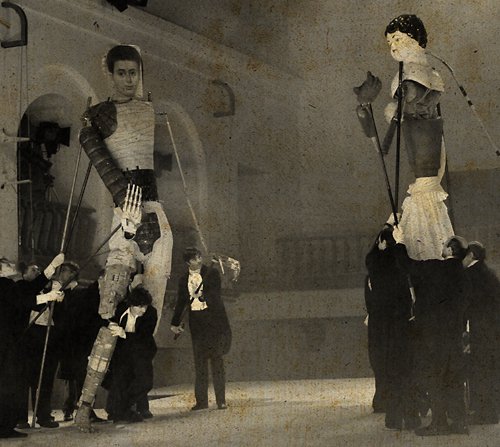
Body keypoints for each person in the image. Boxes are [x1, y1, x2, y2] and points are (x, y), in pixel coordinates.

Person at [75, 44, 173, 430]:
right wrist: (123, 200)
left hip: (155, 216)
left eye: (134, 72)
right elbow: (96, 153)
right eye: (122, 73)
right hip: (126, 216)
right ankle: (84, 404)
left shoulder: (148, 108)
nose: (129, 79)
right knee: (110, 309)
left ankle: (135, 397)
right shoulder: (99, 114)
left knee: (149, 318)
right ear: (110, 74)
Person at [354, 14, 454, 261]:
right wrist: (367, 109)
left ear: (415, 38)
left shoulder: (418, 76)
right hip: (423, 153)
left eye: (397, 39)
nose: (393, 47)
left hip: (426, 158)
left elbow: (412, 101)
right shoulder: (414, 75)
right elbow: (388, 140)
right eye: (390, 43)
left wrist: (381, 108)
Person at [392, 226, 470, 436]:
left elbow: (407, 265)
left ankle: (439, 424)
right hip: (454, 336)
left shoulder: (438, 268)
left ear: (450, 251)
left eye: (444, 245)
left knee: (435, 378)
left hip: (435, 337)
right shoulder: (463, 274)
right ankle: (459, 423)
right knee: (454, 380)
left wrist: (400, 241)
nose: (441, 248)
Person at [0, 254, 64, 437]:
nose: (12, 265)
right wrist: (49, 296)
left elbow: (31, 288)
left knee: (8, 384)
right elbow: (23, 301)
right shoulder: (4, 285)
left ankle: (6, 426)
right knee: (8, 385)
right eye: (7, 264)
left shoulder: (8, 285)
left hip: (9, 340)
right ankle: (4, 428)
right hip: (6, 341)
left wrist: (52, 267)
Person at [365, 225, 420, 429]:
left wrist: (381, 250)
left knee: (391, 375)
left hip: (383, 332)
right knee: (407, 373)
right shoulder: (401, 271)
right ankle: (411, 417)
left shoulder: (375, 272)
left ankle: (394, 418)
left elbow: (371, 261)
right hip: (402, 329)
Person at [171, 248, 232, 411]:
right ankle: (201, 401)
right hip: (196, 322)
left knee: (217, 361)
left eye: (199, 257)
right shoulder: (183, 279)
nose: (199, 260)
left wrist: (203, 295)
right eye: (195, 258)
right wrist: (174, 322)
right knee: (200, 362)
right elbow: (181, 301)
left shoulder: (212, 273)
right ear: (188, 262)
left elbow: (216, 294)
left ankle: (221, 400)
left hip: (212, 321)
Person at [20, 260, 79, 429]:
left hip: (51, 335)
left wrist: (60, 299)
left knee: (46, 378)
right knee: (27, 376)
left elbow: (64, 316)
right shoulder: (31, 286)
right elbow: (30, 304)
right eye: (67, 272)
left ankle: (43, 415)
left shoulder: (62, 289)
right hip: (32, 335)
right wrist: (48, 295)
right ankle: (20, 417)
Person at [58, 271, 106, 422]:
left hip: (80, 343)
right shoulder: (79, 293)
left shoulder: (83, 293)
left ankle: (78, 411)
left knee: (79, 377)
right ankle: (75, 410)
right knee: (77, 378)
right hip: (75, 344)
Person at [106, 286, 157, 423]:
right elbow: (108, 319)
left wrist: (124, 334)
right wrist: (111, 325)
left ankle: (120, 409)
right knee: (120, 382)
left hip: (142, 352)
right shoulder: (120, 308)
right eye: (140, 307)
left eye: (145, 306)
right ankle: (119, 411)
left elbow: (144, 337)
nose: (143, 310)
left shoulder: (151, 313)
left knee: (146, 383)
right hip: (122, 353)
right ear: (131, 305)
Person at [463, 241, 500, 425]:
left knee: (479, 370)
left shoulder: (470, 274)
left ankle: (482, 413)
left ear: (471, 255)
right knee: (491, 370)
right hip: (493, 329)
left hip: (479, 328)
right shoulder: (489, 273)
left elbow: (467, 304)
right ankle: (492, 412)